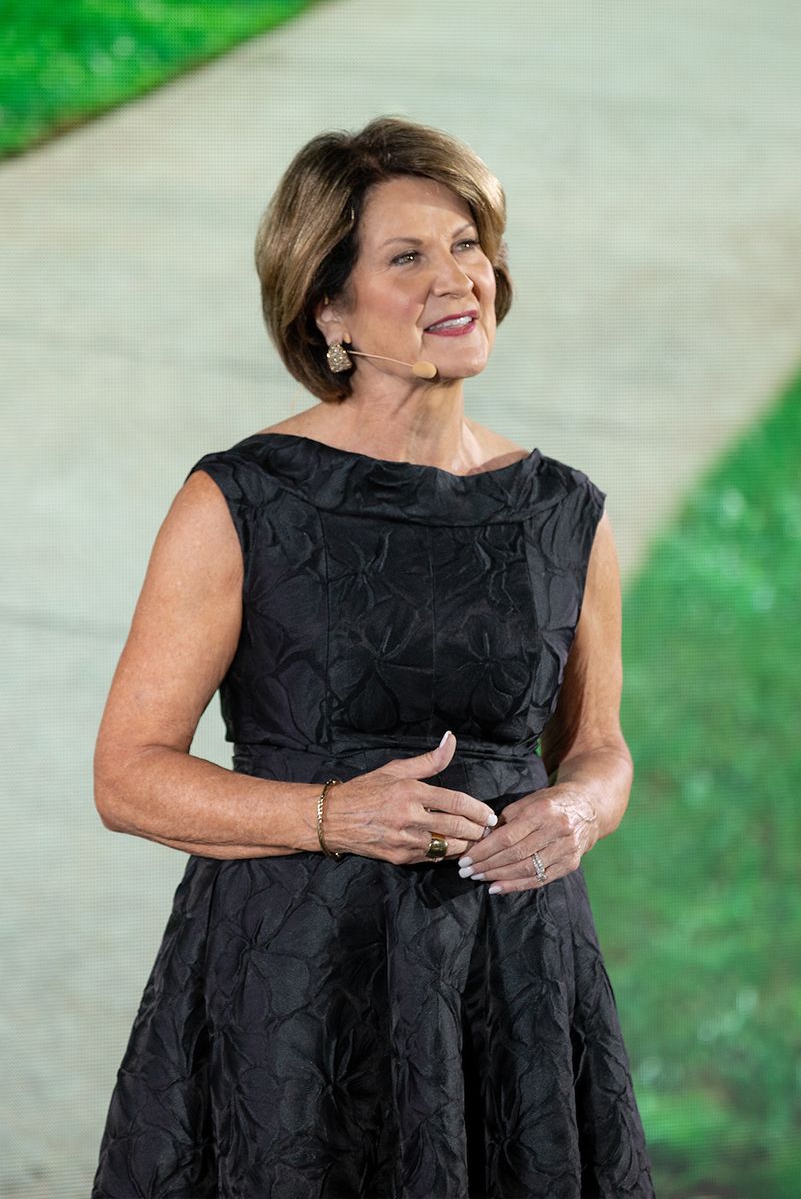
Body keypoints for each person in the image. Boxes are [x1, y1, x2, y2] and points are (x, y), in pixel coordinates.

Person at [91, 116, 654, 1198]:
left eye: (468, 243)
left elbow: (599, 746)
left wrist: (579, 811)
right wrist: (331, 815)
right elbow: (126, 774)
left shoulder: (563, 512)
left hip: (510, 981)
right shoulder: (242, 501)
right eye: (409, 256)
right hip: (297, 988)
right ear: (328, 307)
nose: (460, 278)